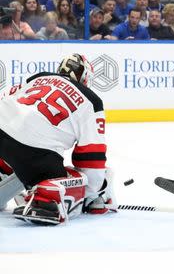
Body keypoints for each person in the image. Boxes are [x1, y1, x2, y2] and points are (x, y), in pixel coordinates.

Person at [0, 54, 116, 225]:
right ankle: (46, 200)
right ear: (84, 77)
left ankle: (2, 171)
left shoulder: (39, 77)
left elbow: (6, 97)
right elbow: (91, 157)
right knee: (72, 177)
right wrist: (93, 194)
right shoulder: (92, 101)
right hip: (33, 152)